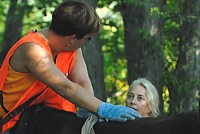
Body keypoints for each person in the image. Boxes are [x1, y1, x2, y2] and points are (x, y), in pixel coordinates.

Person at [0, 1, 141, 133]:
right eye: (87, 39)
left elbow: (81, 81)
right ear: (72, 39)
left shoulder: (72, 48)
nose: (86, 43)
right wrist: (104, 109)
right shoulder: (32, 50)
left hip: (46, 118)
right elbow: (64, 87)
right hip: (10, 124)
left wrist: (90, 108)